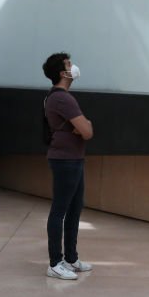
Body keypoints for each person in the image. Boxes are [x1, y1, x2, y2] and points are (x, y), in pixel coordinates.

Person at [42, 52, 94, 280]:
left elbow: (82, 129)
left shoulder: (58, 97)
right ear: (63, 73)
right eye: (69, 64)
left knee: (74, 209)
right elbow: (88, 131)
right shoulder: (62, 98)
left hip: (73, 158)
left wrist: (82, 126)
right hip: (66, 160)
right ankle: (55, 263)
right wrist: (84, 125)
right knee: (60, 210)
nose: (73, 67)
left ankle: (71, 258)